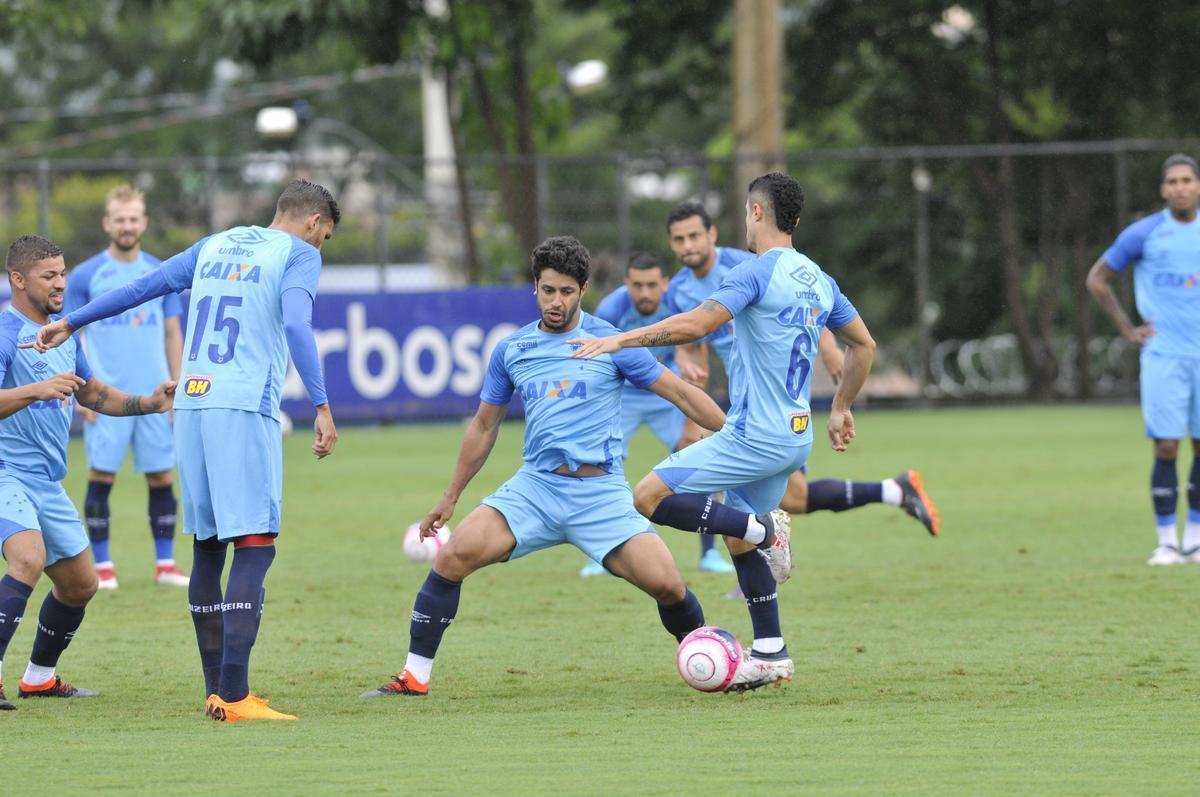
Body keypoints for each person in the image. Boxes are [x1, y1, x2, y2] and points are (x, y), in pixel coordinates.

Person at [361, 235, 739, 699]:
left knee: (668, 585)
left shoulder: (611, 344)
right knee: (452, 556)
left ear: (582, 290)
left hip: (600, 494)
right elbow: (483, 427)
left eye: (565, 291)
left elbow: (680, 392)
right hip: (535, 490)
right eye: (546, 290)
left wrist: (732, 435)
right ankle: (414, 676)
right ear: (535, 289)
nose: (555, 301)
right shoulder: (512, 350)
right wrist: (450, 497)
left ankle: (710, 664)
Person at [31, 179, 339, 721]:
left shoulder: (215, 244)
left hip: (191, 402)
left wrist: (70, 321)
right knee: (255, 544)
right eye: (326, 237)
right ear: (313, 222)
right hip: (242, 407)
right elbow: (296, 323)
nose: (321, 248)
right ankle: (237, 694)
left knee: (208, 546)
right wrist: (321, 404)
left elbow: (143, 287)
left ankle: (216, 691)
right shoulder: (298, 254)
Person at [571, 172, 877, 690]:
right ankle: (770, 651)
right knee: (737, 538)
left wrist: (621, 340)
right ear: (795, 220)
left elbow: (694, 326)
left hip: (754, 437)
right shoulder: (818, 278)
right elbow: (863, 345)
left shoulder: (754, 274)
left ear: (755, 212)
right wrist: (842, 406)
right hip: (795, 435)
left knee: (648, 497)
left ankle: (767, 530)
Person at [665, 200, 939, 536]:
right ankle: (893, 490)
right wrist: (687, 368)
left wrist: (829, 349)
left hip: (772, 399)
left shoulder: (746, 265)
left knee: (770, 498)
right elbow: (690, 345)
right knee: (786, 498)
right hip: (745, 397)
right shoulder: (678, 289)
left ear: (713, 233)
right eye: (679, 240)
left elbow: (799, 298)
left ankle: (763, 551)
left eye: (694, 236)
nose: (688, 246)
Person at [0, 235, 175, 710]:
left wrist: (150, 403)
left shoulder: (62, 334)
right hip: (4, 472)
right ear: (18, 279)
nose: (61, 284)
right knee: (28, 560)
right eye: (49, 276)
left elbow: (94, 394)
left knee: (81, 583)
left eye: (63, 274)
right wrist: (35, 390)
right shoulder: (3, 331)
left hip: (45, 481)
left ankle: (39, 678)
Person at [581, 251, 734, 577]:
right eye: (638, 285)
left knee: (700, 457)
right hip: (623, 394)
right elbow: (591, 359)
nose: (645, 293)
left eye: (652, 285)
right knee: (598, 465)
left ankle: (709, 553)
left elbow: (696, 353)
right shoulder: (611, 309)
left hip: (667, 390)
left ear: (664, 283)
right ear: (627, 285)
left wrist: (693, 422)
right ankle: (601, 553)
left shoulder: (678, 303)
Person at [65, 185, 187, 589]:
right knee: (102, 475)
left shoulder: (162, 270)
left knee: (161, 476)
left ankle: (166, 564)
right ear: (107, 223)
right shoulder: (85, 276)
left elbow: (173, 333)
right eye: (120, 219)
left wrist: (179, 389)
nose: (127, 225)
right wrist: (80, 391)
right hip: (106, 397)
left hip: (155, 395)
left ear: (144, 222)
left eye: (134, 218)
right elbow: (71, 335)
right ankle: (102, 567)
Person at [1087, 153, 1200, 566]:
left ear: (1198, 184)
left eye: (1187, 179)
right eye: (1172, 181)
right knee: (1167, 446)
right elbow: (1097, 279)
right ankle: (1168, 541)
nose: (1180, 187)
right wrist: (1126, 328)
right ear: (1163, 189)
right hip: (1165, 356)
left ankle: (1195, 540)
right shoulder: (1145, 233)